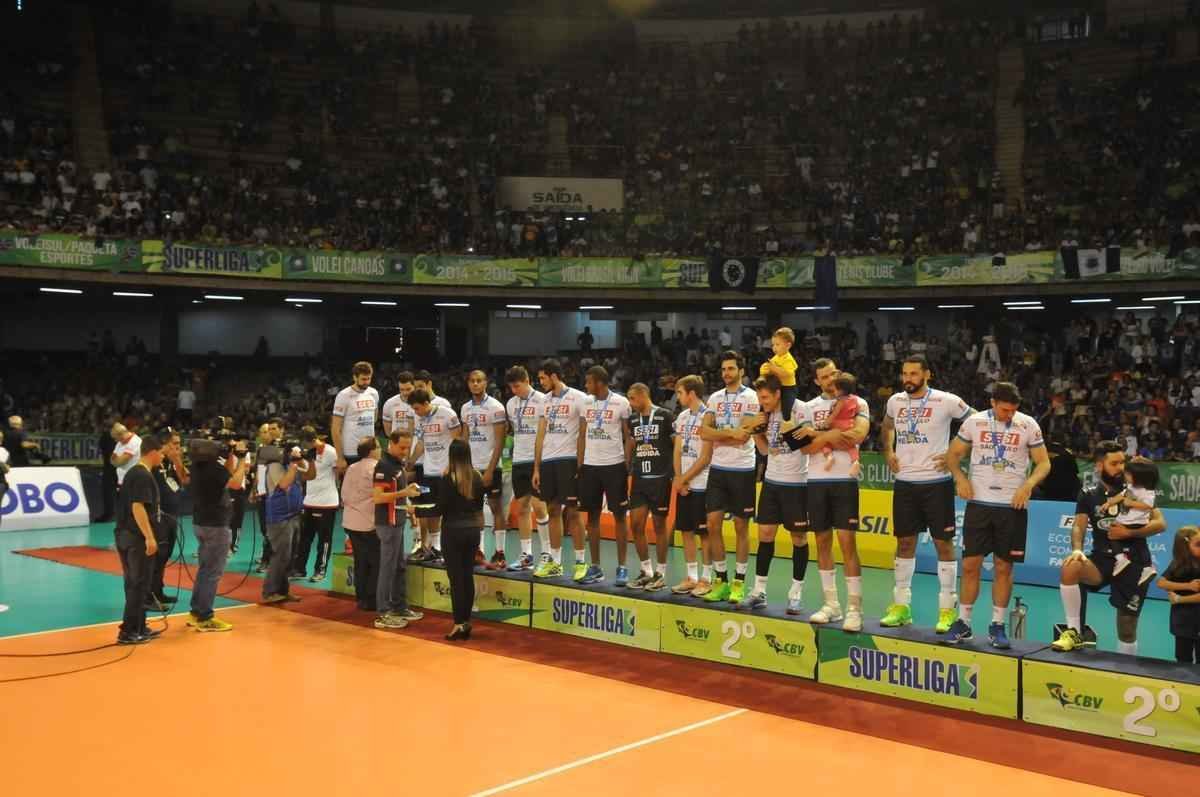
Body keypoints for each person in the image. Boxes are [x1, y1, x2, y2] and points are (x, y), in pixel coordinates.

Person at [946, 382, 1051, 649]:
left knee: (1004, 568)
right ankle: (964, 623)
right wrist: (959, 479)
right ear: (993, 402)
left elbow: (1044, 463)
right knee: (970, 566)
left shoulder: (1028, 424)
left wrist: (1028, 485)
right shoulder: (974, 422)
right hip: (979, 504)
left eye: (1013, 410)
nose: (1010, 415)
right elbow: (953, 455)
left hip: (1012, 508)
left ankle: (997, 625)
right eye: (1005, 410)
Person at [879, 355, 974, 632]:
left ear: (927, 374)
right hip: (905, 483)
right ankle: (901, 606)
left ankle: (947, 610)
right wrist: (888, 451)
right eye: (904, 373)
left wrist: (953, 454)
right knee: (905, 544)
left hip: (937, 483)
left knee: (943, 545)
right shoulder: (895, 401)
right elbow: (886, 427)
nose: (908, 378)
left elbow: (978, 424)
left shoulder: (947, 400)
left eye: (913, 374)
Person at [1052, 442, 1167, 653]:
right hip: (1102, 561)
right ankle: (1073, 632)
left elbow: (1160, 523)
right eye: (1114, 463)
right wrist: (1077, 549)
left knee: (1127, 627)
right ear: (1099, 466)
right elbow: (1078, 527)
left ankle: (1126, 669)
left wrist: (1130, 533)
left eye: (1123, 462)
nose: (1121, 468)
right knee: (1071, 566)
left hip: (1134, 562)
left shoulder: (1136, 488)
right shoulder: (1087, 494)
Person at [804, 358, 870, 631]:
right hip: (816, 480)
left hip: (844, 480)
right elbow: (803, 448)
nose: (830, 379)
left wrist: (820, 436)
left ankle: (855, 608)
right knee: (821, 542)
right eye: (824, 376)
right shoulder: (808, 408)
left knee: (847, 543)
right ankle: (831, 605)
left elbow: (858, 435)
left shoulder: (858, 402)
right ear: (817, 381)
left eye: (833, 373)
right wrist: (834, 436)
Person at [744, 375, 812, 612]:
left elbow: (809, 446)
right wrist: (755, 431)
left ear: (777, 394)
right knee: (765, 534)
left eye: (765, 397)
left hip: (797, 483)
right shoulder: (766, 413)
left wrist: (791, 430)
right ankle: (759, 590)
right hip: (772, 482)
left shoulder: (801, 409)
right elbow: (766, 450)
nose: (762, 402)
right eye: (759, 398)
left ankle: (796, 593)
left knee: (798, 538)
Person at [698, 351, 760, 604]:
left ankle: (739, 582)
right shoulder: (714, 398)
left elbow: (744, 435)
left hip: (743, 469)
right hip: (718, 468)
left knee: (740, 527)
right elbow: (703, 432)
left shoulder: (751, 397)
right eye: (724, 369)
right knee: (712, 524)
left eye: (731, 369)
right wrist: (729, 433)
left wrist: (720, 432)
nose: (726, 373)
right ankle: (721, 580)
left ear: (741, 371)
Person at [532, 358, 588, 578]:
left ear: (554, 376)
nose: (541, 382)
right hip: (548, 462)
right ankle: (555, 562)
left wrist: (581, 464)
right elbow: (540, 435)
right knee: (553, 510)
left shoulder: (579, 398)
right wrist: (537, 467)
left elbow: (584, 434)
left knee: (573, 512)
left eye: (543, 378)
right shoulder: (543, 401)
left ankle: (580, 562)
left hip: (569, 460)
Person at [578, 365, 633, 585]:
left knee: (619, 517)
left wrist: (626, 462)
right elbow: (582, 435)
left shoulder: (622, 403)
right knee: (591, 518)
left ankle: (622, 567)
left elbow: (629, 436)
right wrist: (580, 464)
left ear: (599, 382)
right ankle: (596, 567)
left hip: (614, 466)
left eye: (588, 382)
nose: (585, 385)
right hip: (590, 467)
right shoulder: (585, 403)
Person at [187, 437, 248, 632]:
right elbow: (236, 483)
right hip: (216, 526)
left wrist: (230, 455)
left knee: (205, 569)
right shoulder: (215, 469)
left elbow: (225, 474)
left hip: (200, 523)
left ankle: (196, 611)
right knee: (213, 572)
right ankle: (205, 616)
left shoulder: (196, 467)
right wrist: (242, 459)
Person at [113, 433, 164, 645]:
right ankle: (129, 631)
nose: (163, 456)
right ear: (153, 453)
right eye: (161, 452)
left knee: (135, 583)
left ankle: (140, 626)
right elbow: (138, 506)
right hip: (136, 537)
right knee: (139, 584)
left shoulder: (133, 473)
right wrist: (150, 537)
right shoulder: (143, 476)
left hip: (124, 534)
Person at [373, 431, 425, 629]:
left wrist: (408, 501)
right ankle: (383, 613)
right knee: (387, 568)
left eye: (407, 447)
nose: (405, 452)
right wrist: (404, 492)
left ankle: (399, 606)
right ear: (391, 444)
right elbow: (378, 497)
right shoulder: (384, 466)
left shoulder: (397, 465)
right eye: (402, 447)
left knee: (399, 566)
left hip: (398, 521)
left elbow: (398, 495)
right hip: (387, 524)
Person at [625, 382, 674, 590]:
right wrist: (627, 468)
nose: (631, 403)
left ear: (644, 395)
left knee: (659, 527)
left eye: (633, 399)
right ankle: (646, 571)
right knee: (636, 525)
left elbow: (675, 445)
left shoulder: (665, 415)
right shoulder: (633, 419)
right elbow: (632, 443)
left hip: (660, 478)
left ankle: (660, 573)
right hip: (639, 478)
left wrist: (676, 473)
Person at [436, 439, 485, 641]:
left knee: (456, 580)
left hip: (453, 532)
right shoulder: (477, 476)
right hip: (472, 531)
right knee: (467, 576)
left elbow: (440, 509)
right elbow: (480, 506)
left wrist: (416, 511)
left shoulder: (448, 478)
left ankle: (458, 623)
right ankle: (466, 622)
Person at [460, 370, 508, 569]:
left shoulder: (496, 407)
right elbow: (464, 438)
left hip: (491, 467)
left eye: (479, 381)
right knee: (475, 510)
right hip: (472, 468)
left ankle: (499, 552)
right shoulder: (465, 408)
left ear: (485, 383)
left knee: (496, 508)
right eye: (472, 381)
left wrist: (490, 469)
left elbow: (500, 441)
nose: (475, 384)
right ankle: (477, 550)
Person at [504, 365, 550, 571]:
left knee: (540, 507)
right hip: (518, 461)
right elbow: (516, 430)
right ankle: (526, 555)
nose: (515, 390)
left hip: (537, 460)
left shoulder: (543, 400)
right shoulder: (510, 404)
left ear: (527, 380)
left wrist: (540, 463)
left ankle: (548, 554)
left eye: (517, 386)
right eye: (512, 387)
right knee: (522, 508)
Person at [671, 375, 714, 595]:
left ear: (692, 393)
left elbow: (706, 456)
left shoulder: (708, 416)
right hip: (684, 483)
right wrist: (678, 479)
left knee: (704, 534)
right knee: (686, 531)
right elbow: (677, 449)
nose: (677, 397)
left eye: (679, 392)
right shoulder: (682, 417)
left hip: (703, 483)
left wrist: (684, 478)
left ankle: (706, 579)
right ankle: (691, 577)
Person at [409, 388, 461, 564]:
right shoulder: (420, 419)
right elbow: (421, 444)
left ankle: (451, 548)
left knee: (449, 511)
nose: (416, 412)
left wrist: (451, 466)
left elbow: (457, 441)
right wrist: (410, 461)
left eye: (417, 408)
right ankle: (436, 547)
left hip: (445, 471)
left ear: (426, 404)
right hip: (428, 470)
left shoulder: (447, 414)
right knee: (431, 510)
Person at [261, 439, 315, 604]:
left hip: (294, 515)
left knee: (290, 556)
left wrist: (310, 460)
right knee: (280, 556)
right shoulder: (274, 466)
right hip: (278, 518)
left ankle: (283, 591)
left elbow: (310, 475)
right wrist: (293, 464)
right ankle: (270, 591)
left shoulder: (293, 466)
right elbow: (284, 484)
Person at [146, 430, 188, 613]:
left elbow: (185, 479)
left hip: (172, 515)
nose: (178, 448)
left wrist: (177, 460)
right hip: (159, 517)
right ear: (164, 444)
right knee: (155, 558)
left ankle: (158, 591)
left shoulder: (171, 464)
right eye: (174, 444)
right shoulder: (154, 464)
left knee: (165, 556)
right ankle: (148, 597)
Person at [290, 427, 339, 581]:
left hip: (327, 502)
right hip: (309, 501)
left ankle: (320, 570)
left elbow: (338, 473)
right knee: (304, 538)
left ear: (312, 440)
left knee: (324, 540)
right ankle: (299, 569)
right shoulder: (304, 453)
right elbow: (304, 476)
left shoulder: (330, 452)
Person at [1102, 456, 1159, 584]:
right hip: (1128, 520)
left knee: (1113, 535)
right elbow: (1121, 496)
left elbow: (1149, 505)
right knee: (1140, 544)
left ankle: (1122, 559)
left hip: (1134, 521)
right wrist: (1109, 503)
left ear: (1139, 477)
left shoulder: (1147, 491)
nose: (1125, 476)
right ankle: (1147, 567)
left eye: (1128, 474)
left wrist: (1131, 503)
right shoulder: (1131, 487)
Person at [1156, 526, 1200, 664]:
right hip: (1182, 621)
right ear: (1185, 547)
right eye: (1198, 544)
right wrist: (1187, 586)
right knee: (1182, 659)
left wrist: (1179, 599)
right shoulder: (1177, 564)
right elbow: (1161, 583)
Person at [331, 361, 380, 474]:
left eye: (369, 378)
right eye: (363, 379)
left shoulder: (374, 393)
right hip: (351, 450)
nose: (366, 382)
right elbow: (335, 429)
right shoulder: (343, 395)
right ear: (355, 377)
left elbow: (375, 418)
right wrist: (340, 457)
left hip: (370, 450)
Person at [818, 372, 863, 476]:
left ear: (840, 390)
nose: (834, 392)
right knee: (851, 447)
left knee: (826, 442)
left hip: (837, 426)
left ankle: (829, 457)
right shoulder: (855, 399)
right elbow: (856, 412)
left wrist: (824, 425)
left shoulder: (840, 401)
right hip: (849, 425)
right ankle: (855, 462)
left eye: (835, 389)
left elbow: (834, 415)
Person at [758, 327, 799, 424]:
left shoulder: (789, 359)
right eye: (773, 345)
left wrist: (773, 368)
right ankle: (762, 424)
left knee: (786, 408)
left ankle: (787, 424)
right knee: (763, 406)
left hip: (788, 388)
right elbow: (768, 370)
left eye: (777, 344)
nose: (774, 348)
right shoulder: (776, 358)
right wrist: (764, 369)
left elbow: (788, 373)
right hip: (777, 387)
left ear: (788, 345)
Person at [96, 415, 120, 521]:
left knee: (108, 490)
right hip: (120, 466)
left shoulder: (106, 436)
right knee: (121, 490)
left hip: (110, 467)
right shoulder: (120, 436)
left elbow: (105, 451)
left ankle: (109, 514)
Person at [110, 423, 142, 489]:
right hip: (122, 480)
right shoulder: (120, 442)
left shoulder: (135, 442)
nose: (116, 441)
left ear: (121, 435)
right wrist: (116, 461)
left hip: (133, 481)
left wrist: (117, 461)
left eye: (116, 438)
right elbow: (112, 460)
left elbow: (121, 462)